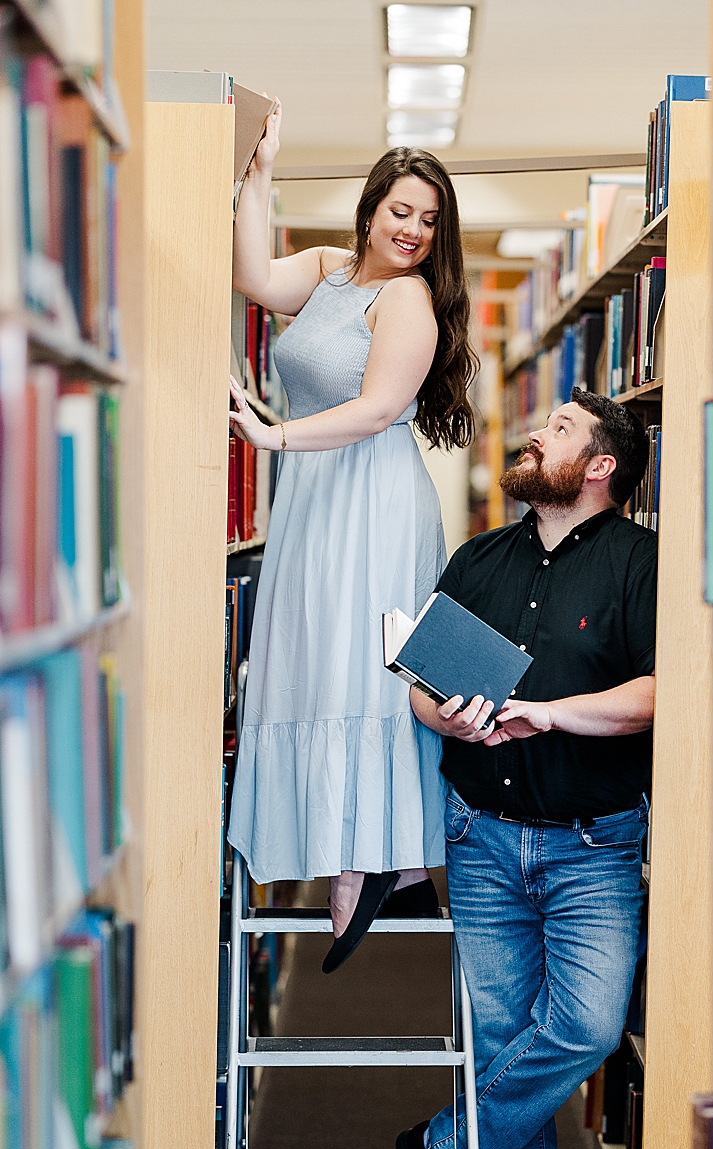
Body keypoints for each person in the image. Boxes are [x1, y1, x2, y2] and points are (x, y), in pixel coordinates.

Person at [396, 387, 656, 1149]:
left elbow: (659, 694)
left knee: (585, 1026)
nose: (532, 434)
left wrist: (547, 714)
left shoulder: (641, 564)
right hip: (480, 837)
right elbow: (422, 685)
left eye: (558, 429)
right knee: (505, 1032)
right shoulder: (479, 560)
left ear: (599, 468)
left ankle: (451, 1145)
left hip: (594, 844)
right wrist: (451, 723)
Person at [226, 102, 478, 972]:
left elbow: (375, 410)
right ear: (370, 208)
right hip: (314, 497)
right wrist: (259, 175)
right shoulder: (334, 271)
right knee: (311, 654)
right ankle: (380, 858)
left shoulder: (409, 301)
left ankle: (369, 856)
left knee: (360, 665)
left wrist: (274, 437)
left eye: (429, 220)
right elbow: (256, 276)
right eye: (400, 210)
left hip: (369, 498)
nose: (411, 230)